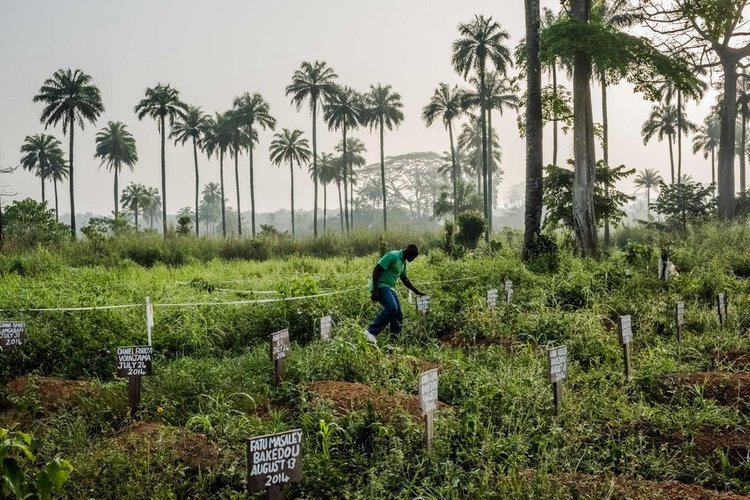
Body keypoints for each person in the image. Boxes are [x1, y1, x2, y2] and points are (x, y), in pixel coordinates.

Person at [363, 243, 425, 344]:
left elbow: (404, 279)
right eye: (413, 257)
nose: (413, 259)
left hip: (390, 288)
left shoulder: (403, 262)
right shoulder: (393, 256)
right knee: (392, 308)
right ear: (409, 252)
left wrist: (417, 292)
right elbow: (377, 269)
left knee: (398, 316)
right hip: (381, 285)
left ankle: (393, 344)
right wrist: (375, 290)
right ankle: (370, 332)